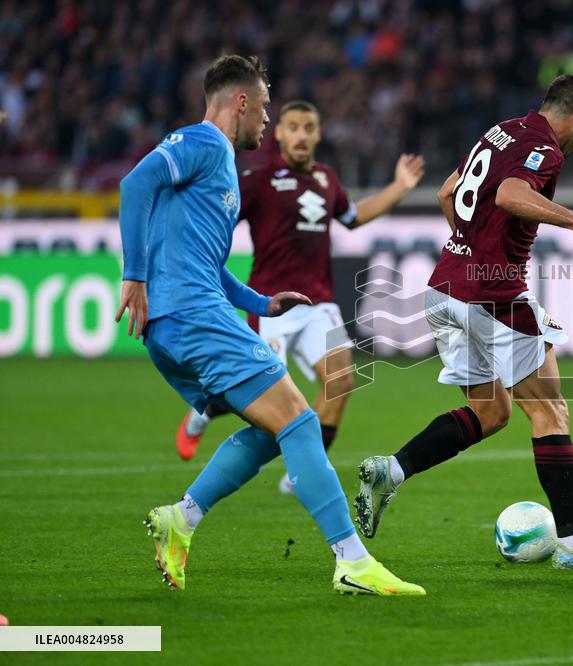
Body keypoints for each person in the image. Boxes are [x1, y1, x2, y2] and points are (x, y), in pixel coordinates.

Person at [116, 54, 423, 596]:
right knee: (302, 421)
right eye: (263, 107)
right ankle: (352, 560)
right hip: (193, 317)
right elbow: (134, 185)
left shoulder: (224, 167)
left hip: (177, 325)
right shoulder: (205, 143)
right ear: (240, 102)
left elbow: (209, 267)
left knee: (272, 429)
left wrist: (260, 300)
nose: (266, 118)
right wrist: (134, 276)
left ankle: (180, 519)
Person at [353, 74, 573, 570]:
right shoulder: (546, 147)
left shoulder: (500, 131)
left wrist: (471, 252)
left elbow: (447, 193)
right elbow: (507, 194)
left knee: (492, 414)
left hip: (444, 289)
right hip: (493, 295)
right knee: (551, 413)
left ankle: (392, 470)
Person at [174, 100, 426, 501]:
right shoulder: (258, 178)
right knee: (258, 402)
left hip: (317, 304)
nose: (302, 135)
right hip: (270, 304)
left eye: (309, 127)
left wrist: (400, 187)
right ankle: (205, 409)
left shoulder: (327, 179)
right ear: (279, 133)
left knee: (341, 383)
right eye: (293, 127)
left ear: (319, 133)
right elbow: (220, 221)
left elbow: (353, 217)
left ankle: (302, 474)